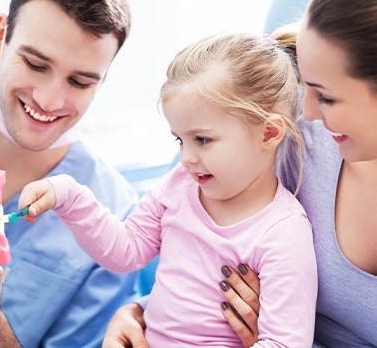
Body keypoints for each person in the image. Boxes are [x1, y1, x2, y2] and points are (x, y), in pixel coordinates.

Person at [104, 0, 377, 347]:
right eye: (307, 88)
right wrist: (140, 313)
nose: (307, 112)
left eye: (325, 96)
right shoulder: (292, 137)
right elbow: (189, 243)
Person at [19, 32, 318, 347]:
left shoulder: (283, 233)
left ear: (269, 133)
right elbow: (127, 250)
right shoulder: (178, 185)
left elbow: (283, 342)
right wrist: (68, 195)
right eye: (180, 140)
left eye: (202, 139)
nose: (186, 158)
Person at [0, 0, 141, 347]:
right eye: (36, 64)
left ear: (103, 80)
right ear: (0, 35)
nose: (49, 100)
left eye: (80, 81)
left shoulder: (116, 222)